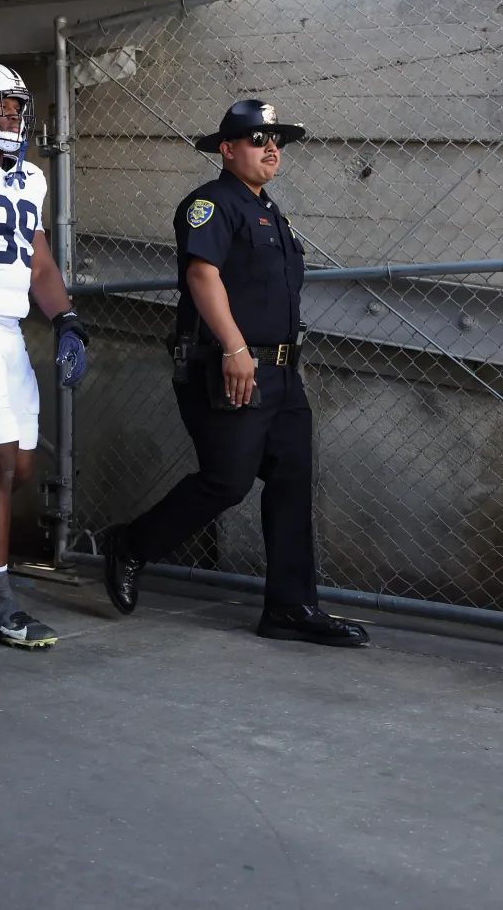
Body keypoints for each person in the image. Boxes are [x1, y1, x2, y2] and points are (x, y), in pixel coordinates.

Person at [100, 100, 369, 649]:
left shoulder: (272, 212)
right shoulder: (209, 205)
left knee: (292, 484)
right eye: (257, 139)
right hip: (229, 367)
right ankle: (130, 545)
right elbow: (203, 277)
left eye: (277, 141)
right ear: (227, 149)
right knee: (227, 482)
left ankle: (291, 608)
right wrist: (234, 347)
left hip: (281, 375)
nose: (271, 149)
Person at [0, 63, 88, 650]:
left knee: (18, 468)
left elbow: (40, 263)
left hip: (8, 327)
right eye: (0, 106)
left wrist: (68, 320)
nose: (12, 117)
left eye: (16, 107)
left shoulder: (30, 178)